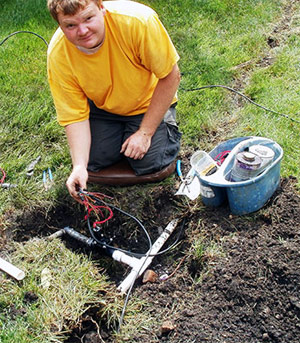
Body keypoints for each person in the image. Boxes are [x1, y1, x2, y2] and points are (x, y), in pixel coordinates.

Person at [47, 0, 182, 202]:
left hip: (147, 102)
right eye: (71, 25)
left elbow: (171, 76)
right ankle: (120, 136)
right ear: (60, 25)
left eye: (88, 18)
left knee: (150, 163)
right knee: (90, 162)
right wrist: (79, 166)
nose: (82, 31)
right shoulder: (58, 54)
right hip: (104, 109)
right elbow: (74, 115)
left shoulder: (138, 22)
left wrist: (145, 133)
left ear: (102, 9)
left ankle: (162, 125)